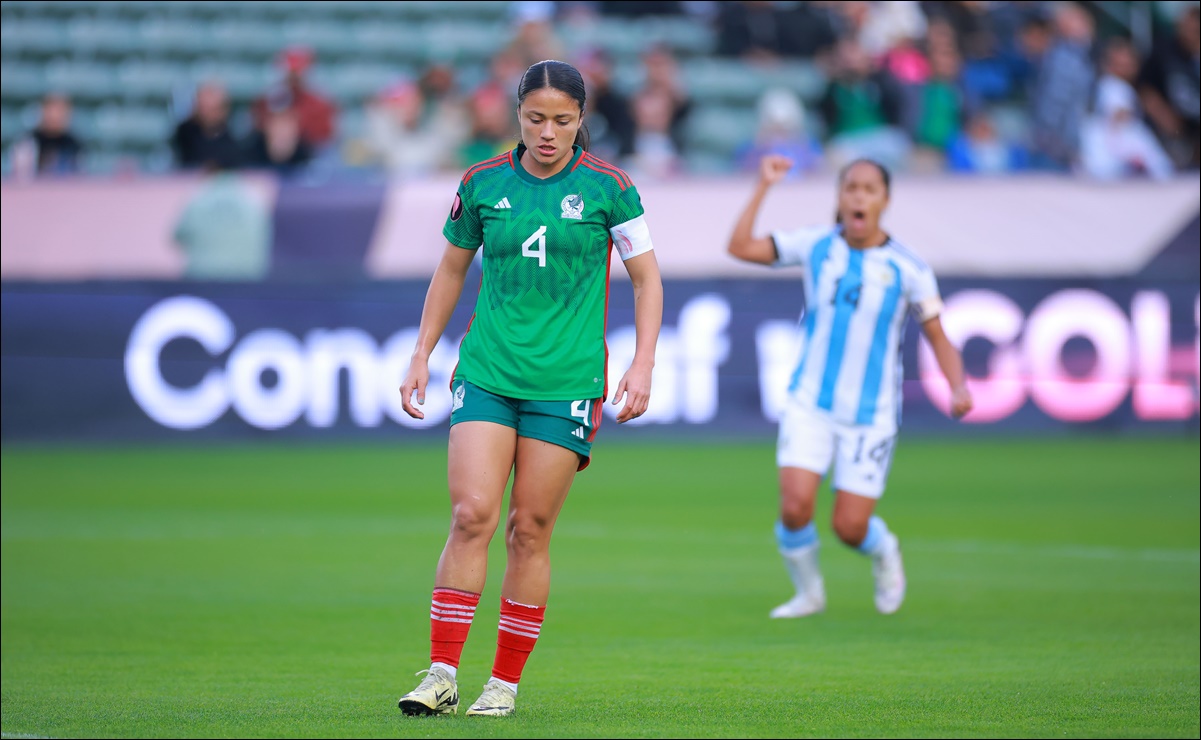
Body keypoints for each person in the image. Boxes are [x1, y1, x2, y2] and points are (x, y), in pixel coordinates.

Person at [395, 59, 663, 717]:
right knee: (471, 514)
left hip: (566, 380)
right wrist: (421, 352)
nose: (548, 133)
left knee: (528, 528)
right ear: (516, 115)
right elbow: (451, 269)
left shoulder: (610, 189)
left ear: (582, 121)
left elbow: (647, 280)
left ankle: (503, 683)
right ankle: (440, 675)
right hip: (487, 369)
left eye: (562, 121)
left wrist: (642, 363)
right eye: (536, 118)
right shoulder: (482, 183)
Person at [726, 154, 972, 619]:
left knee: (849, 527)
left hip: (871, 413)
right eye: (850, 187)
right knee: (795, 507)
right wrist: (763, 186)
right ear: (839, 197)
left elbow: (939, 336)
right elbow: (739, 247)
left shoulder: (909, 268)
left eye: (868, 189)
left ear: (885, 200)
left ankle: (884, 551)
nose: (858, 196)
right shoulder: (816, 245)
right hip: (810, 401)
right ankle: (809, 594)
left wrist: (957, 386)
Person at [171, 82, 244, 171]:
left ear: (223, 110)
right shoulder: (186, 133)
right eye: (202, 107)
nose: (205, 113)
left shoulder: (236, 138)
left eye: (211, 109)